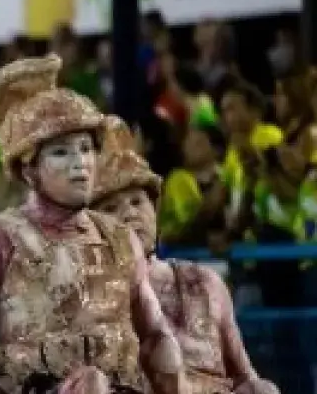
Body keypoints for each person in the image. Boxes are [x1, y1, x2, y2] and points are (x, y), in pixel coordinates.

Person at [0, 54, 184, 394]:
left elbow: (156, 332)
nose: (80, 164)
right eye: (61, 153)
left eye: (86, 149)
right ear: (29, 169)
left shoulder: (119, 238)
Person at [92, 119, 278, 394]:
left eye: (137, 202)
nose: (129, 214)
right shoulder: (88, 296)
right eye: (110, 208)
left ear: (155, 210)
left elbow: (244, 375)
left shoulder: (204, 282)